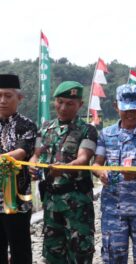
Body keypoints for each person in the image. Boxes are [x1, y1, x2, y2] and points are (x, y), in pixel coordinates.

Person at [29, 81, 98, 263]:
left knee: (80, 253)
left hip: (77, 203)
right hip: (51, 203)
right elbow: (36, 156)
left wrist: (64, 168)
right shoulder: (44, 129)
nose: (63, 107)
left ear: (80, 105)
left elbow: (83, 158)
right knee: (53, 253)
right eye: (60, 102)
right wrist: (33, 165)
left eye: (70, 104)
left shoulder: (87, 130)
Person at [92, 84, 136, 264]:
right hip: (113, 208)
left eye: (134, 110)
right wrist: (101, 172)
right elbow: (96, 163)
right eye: (125, 109)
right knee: (113, 256)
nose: (130, 114)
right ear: (116, 106)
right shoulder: (106, 134)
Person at [0, 74, 37, 264]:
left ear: (19, 98)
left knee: (20, 249)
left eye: (8, 96)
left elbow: (21, 152)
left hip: (17, 200)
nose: (2, 101)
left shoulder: (27, 125)